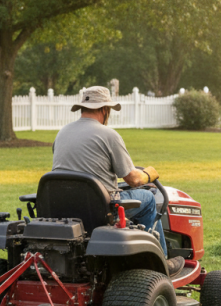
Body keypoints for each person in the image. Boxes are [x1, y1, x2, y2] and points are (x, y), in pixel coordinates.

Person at [51, 85, 185, 277]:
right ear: (104, 110)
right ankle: (161, 263)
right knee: (147, 198)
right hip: (100, 210)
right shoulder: (109, 135)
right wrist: (149, 174)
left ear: (82, 108)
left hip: (64, 208)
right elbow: (133, 179)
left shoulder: (61, 133)